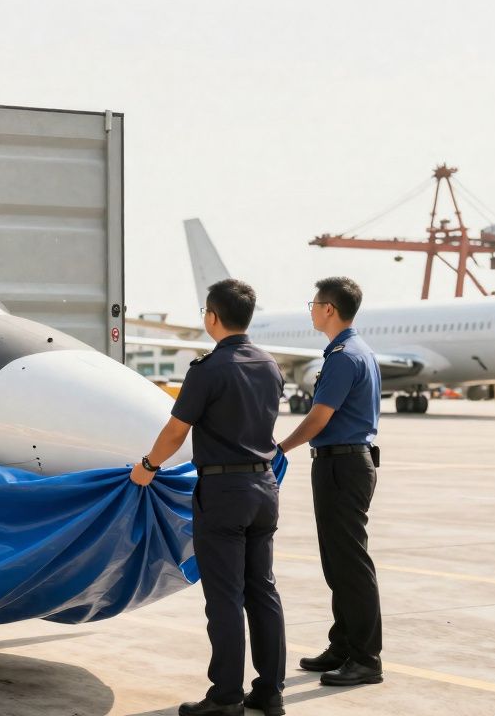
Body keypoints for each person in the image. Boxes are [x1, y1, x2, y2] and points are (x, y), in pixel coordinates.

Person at [131, 279, 286, 716]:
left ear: (211, 317)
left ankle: (225, 698)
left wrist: (148, 466)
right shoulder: (269, 364)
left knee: (225, 597)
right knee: (263, 592)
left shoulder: (208, 369)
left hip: (223, 492)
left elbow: (176, 429)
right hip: (264, 487)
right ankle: (270, 692)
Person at [277, 276, 384, 687]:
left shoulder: (342, 355)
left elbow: (319, 417)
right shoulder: (358, 350)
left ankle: (365, 659)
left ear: (329, 309)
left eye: (314, 302)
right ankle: (343, 645)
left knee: (350, 565)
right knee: (338, 562)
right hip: (346, 462)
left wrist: (280, 447)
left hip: (342, 465)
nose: (311, 309)